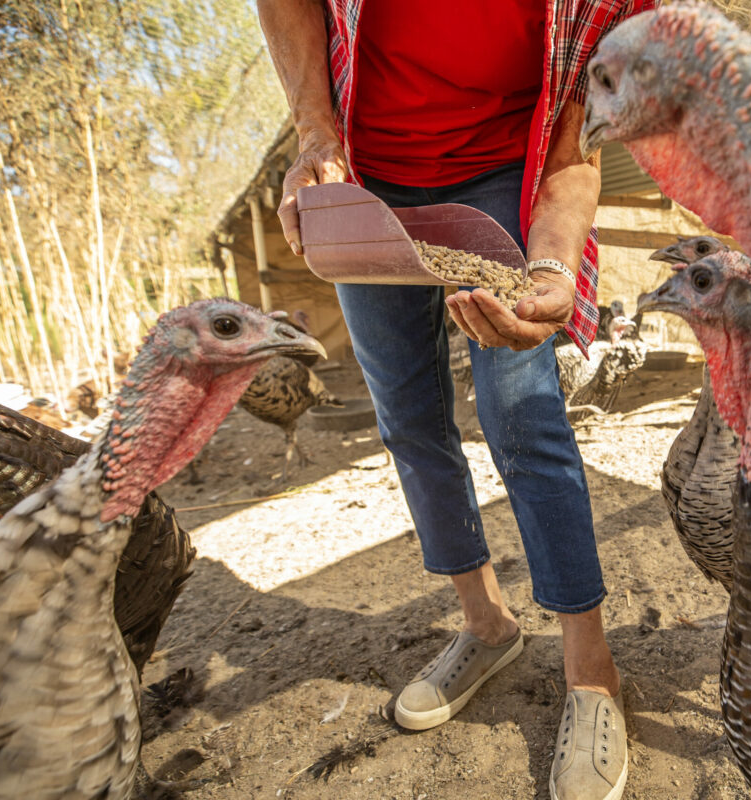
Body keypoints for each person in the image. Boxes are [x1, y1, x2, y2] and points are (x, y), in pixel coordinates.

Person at [256, 2, 655, 798]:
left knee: (522, 413)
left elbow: (573, 145)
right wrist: (314, 136)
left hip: (507, 168)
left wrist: (549, 269)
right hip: (367, 173)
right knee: (407, 418)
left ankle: (592, 671)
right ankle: (486, 625)